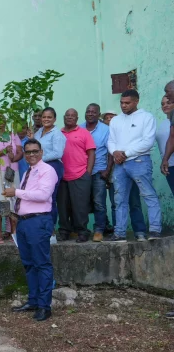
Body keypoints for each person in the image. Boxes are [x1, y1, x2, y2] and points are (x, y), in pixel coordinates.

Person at [4, 139, 56, 322]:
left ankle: (44, 306)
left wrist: (16, 192)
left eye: (35, 151)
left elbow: (43, 196)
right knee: (29, 263)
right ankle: (33, 300)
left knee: (41, 263)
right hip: (24, 222)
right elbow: (25, 198)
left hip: (38, 221)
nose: (31, 154)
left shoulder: (47, 171)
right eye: (28, 152)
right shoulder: (28, 172)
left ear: (41, 152)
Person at [107, 89, 161, 242]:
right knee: (119, 199)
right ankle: (120, 233)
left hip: (139, 161)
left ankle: (155, 230)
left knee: (148, 195)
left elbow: (147, 141)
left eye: (127, 103)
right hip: (120, 164)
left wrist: (125, 153)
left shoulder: (146, 117)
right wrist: (115, 152)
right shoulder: (116, 120)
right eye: (121, 103)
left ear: (136, 101)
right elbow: (111, 141)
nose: (123, 106)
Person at [56, 109, 95, 243]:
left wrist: (88, 171)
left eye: (73, 116)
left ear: (77, 118)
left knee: (80, 207)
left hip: (80, 174)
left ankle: (82, 232)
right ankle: (64, 232)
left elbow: (91, 153)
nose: (70, 117)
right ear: (64, 117)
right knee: (62, 206)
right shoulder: (58, 133)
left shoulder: (84, 133)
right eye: (68, 115)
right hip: (61, 176)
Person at [0, 119, 22, 243]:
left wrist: (14, 157)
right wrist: (2, 152)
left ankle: (13, 233)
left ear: (6, 121)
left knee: (11, 201)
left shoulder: (13, 135)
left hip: (11, 171)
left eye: (1, 119)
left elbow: (20, 152)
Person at [34, 107, 66, 242]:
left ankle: (51, 230)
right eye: (44, 117)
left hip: (52, 167)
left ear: (54, 119)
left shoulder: (57, 134)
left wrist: (39, 158)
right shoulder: (38, 132)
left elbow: (58, 153)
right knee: (39, 198)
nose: (46, 119)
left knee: (49, 199)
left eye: (49, 117)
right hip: (39, 168)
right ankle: (41, 228)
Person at [84, 104, 114, 242]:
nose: (90, 114)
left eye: (93, 112)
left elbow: (111, 151)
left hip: (99, 171)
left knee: (99, 202)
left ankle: (99, 230)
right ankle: (82, 230)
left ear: (98, 114)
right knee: (82, 202)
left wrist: (107, 170)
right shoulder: (80, 128)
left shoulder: (106, 130)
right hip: (81, 172)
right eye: (88, 111)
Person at [156, 94, 174, 196]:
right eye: (162, 104)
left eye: (168, 103)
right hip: (169, 165)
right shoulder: (163, 123)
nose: (165, 105)